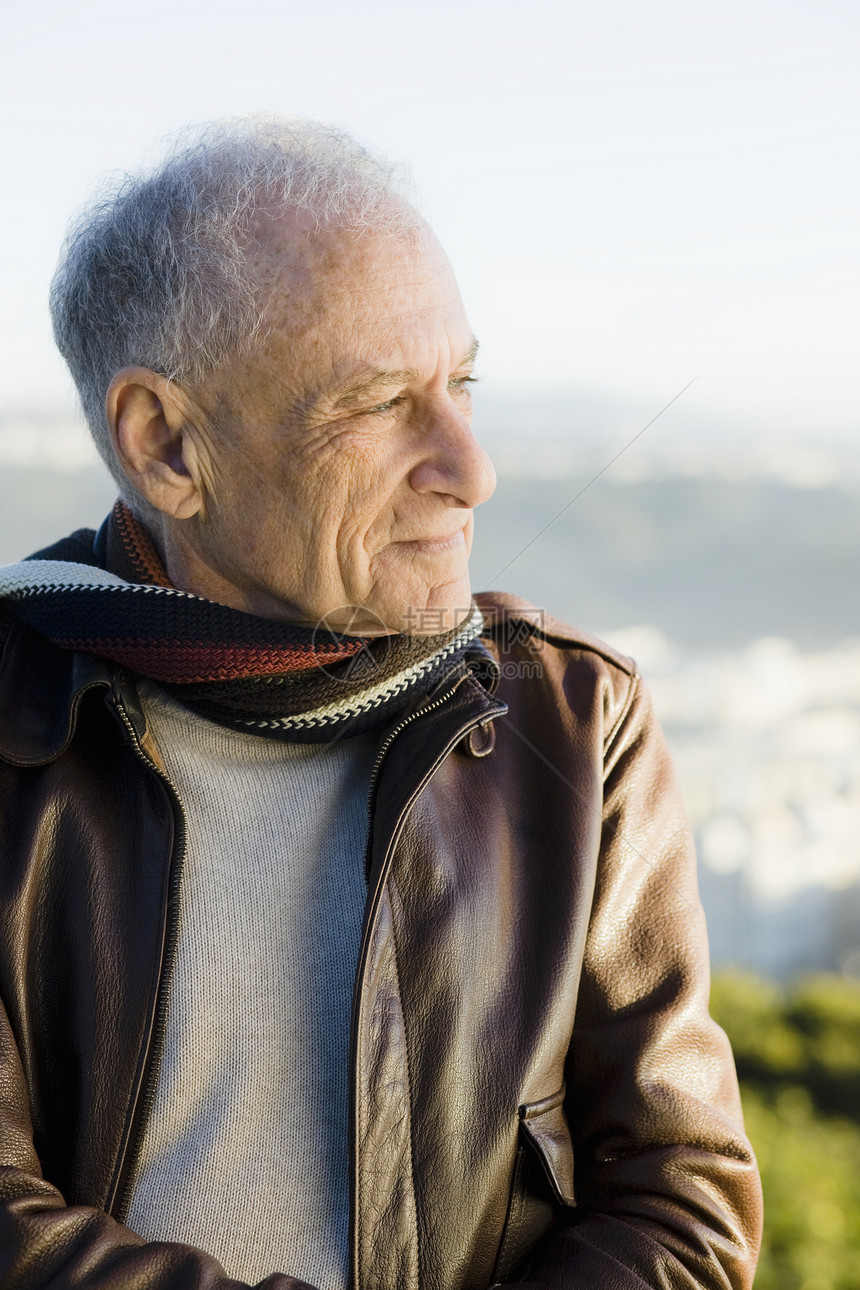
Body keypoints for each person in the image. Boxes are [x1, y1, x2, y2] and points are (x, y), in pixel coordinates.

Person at [0, 117, 761, 1289]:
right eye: (376, 403)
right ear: (164, 446)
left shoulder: (574, 723)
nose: (471, 467)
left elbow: (682, 1202)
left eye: (460, 383)